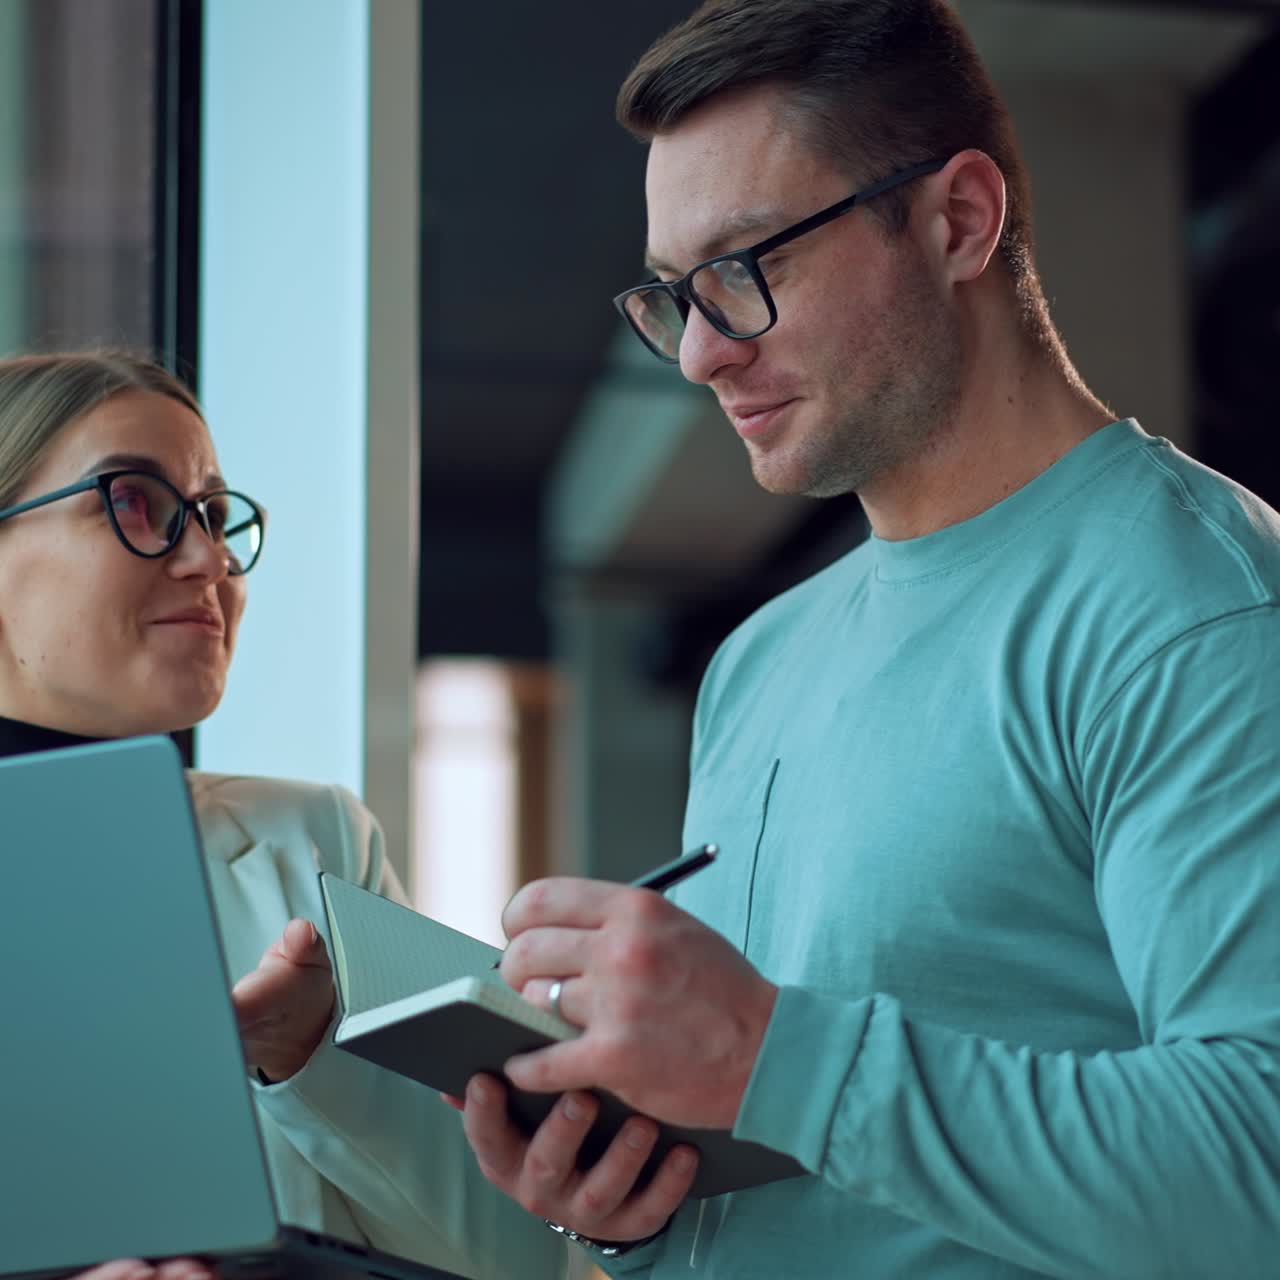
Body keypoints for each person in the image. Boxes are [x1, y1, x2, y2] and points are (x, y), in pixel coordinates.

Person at [448, 1, 1280, 1276]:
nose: (699, 352)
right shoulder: (756, 661)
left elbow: (1256, 1171)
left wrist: (772, 1056)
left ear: (956, 220)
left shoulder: (1193, 604)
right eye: (672, 295)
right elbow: (800, 1162)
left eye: (744, 265)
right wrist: (632, 1197)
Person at [0, 351, 567, 1280]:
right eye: (135, 502)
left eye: (215, 516)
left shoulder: (311, 842)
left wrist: (316, 1062)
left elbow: (517, 1258)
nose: (211, 560)